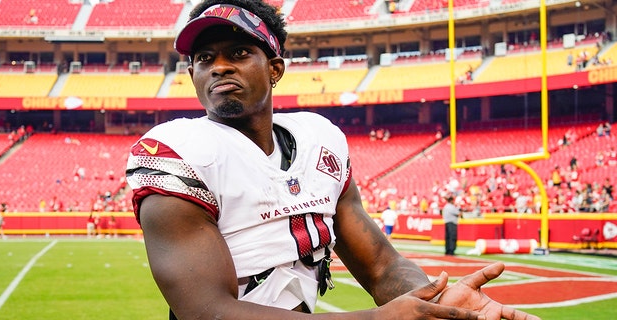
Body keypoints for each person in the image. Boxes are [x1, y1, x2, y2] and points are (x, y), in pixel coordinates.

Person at [125, 1, 540, 319]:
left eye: (237, 52)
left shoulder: (318, 140)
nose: (218, 67)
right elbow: (206, 311)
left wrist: (434, 296)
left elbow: (380, 265)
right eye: (204, 59)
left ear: (274, 68)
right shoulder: (176, 150)